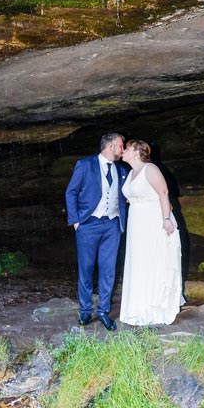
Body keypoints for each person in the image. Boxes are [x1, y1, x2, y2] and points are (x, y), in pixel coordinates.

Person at [65, 131, 130, 330]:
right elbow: (71, 192)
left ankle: (103, 311)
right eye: (121, 145)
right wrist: (76, 220)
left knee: (108, 269)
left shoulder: (121, 169)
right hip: (88, 224)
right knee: (86, 268)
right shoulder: (85, 165)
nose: (123, 149)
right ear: (110, 146)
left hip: (112, 225)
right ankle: (85, 311)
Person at [119, 139, 184, 326]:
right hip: (137, 223)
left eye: (127, 148)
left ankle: (154, 307)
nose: (123, 150)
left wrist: (166, 219)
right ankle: (138, 307)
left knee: (153, 259)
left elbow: (163, 193)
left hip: (153, 220)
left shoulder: (150, 169)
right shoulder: (131, 172)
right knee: (139, 261)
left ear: (137, 152)